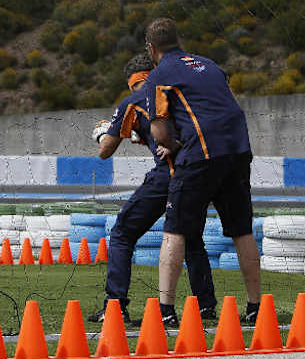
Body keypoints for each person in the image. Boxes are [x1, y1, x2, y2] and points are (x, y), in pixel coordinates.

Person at [143, 17, 261, 324]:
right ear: (178, 40)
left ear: (151, 48)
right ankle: (255, 306)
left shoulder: (160, 75)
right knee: (241, 229)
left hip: (202, 153)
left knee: (175, 229)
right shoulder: (209, 64)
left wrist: (174, 143)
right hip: (238, 149)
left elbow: (158, 130)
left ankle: (166, 310)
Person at [87, 54, 217, 326]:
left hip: (167, 176)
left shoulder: (132, 102)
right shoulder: (180, 94)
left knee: (122, 233)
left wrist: (103, 132)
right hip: (199, 174)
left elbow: (105, 151)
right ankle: (205, 307)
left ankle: (115, 307)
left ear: (133, 82)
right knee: (191, 239)